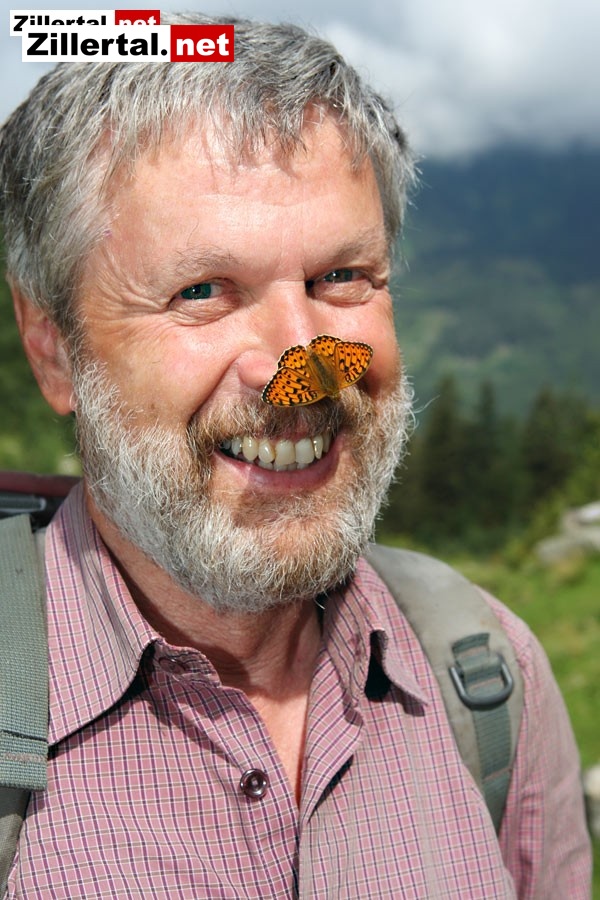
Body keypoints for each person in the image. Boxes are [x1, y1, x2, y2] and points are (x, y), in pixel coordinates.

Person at [0, 13, 591, 898]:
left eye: (340, 278)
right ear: (52, 349)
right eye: (203, 290)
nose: (300, 366)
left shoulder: (489, 678)